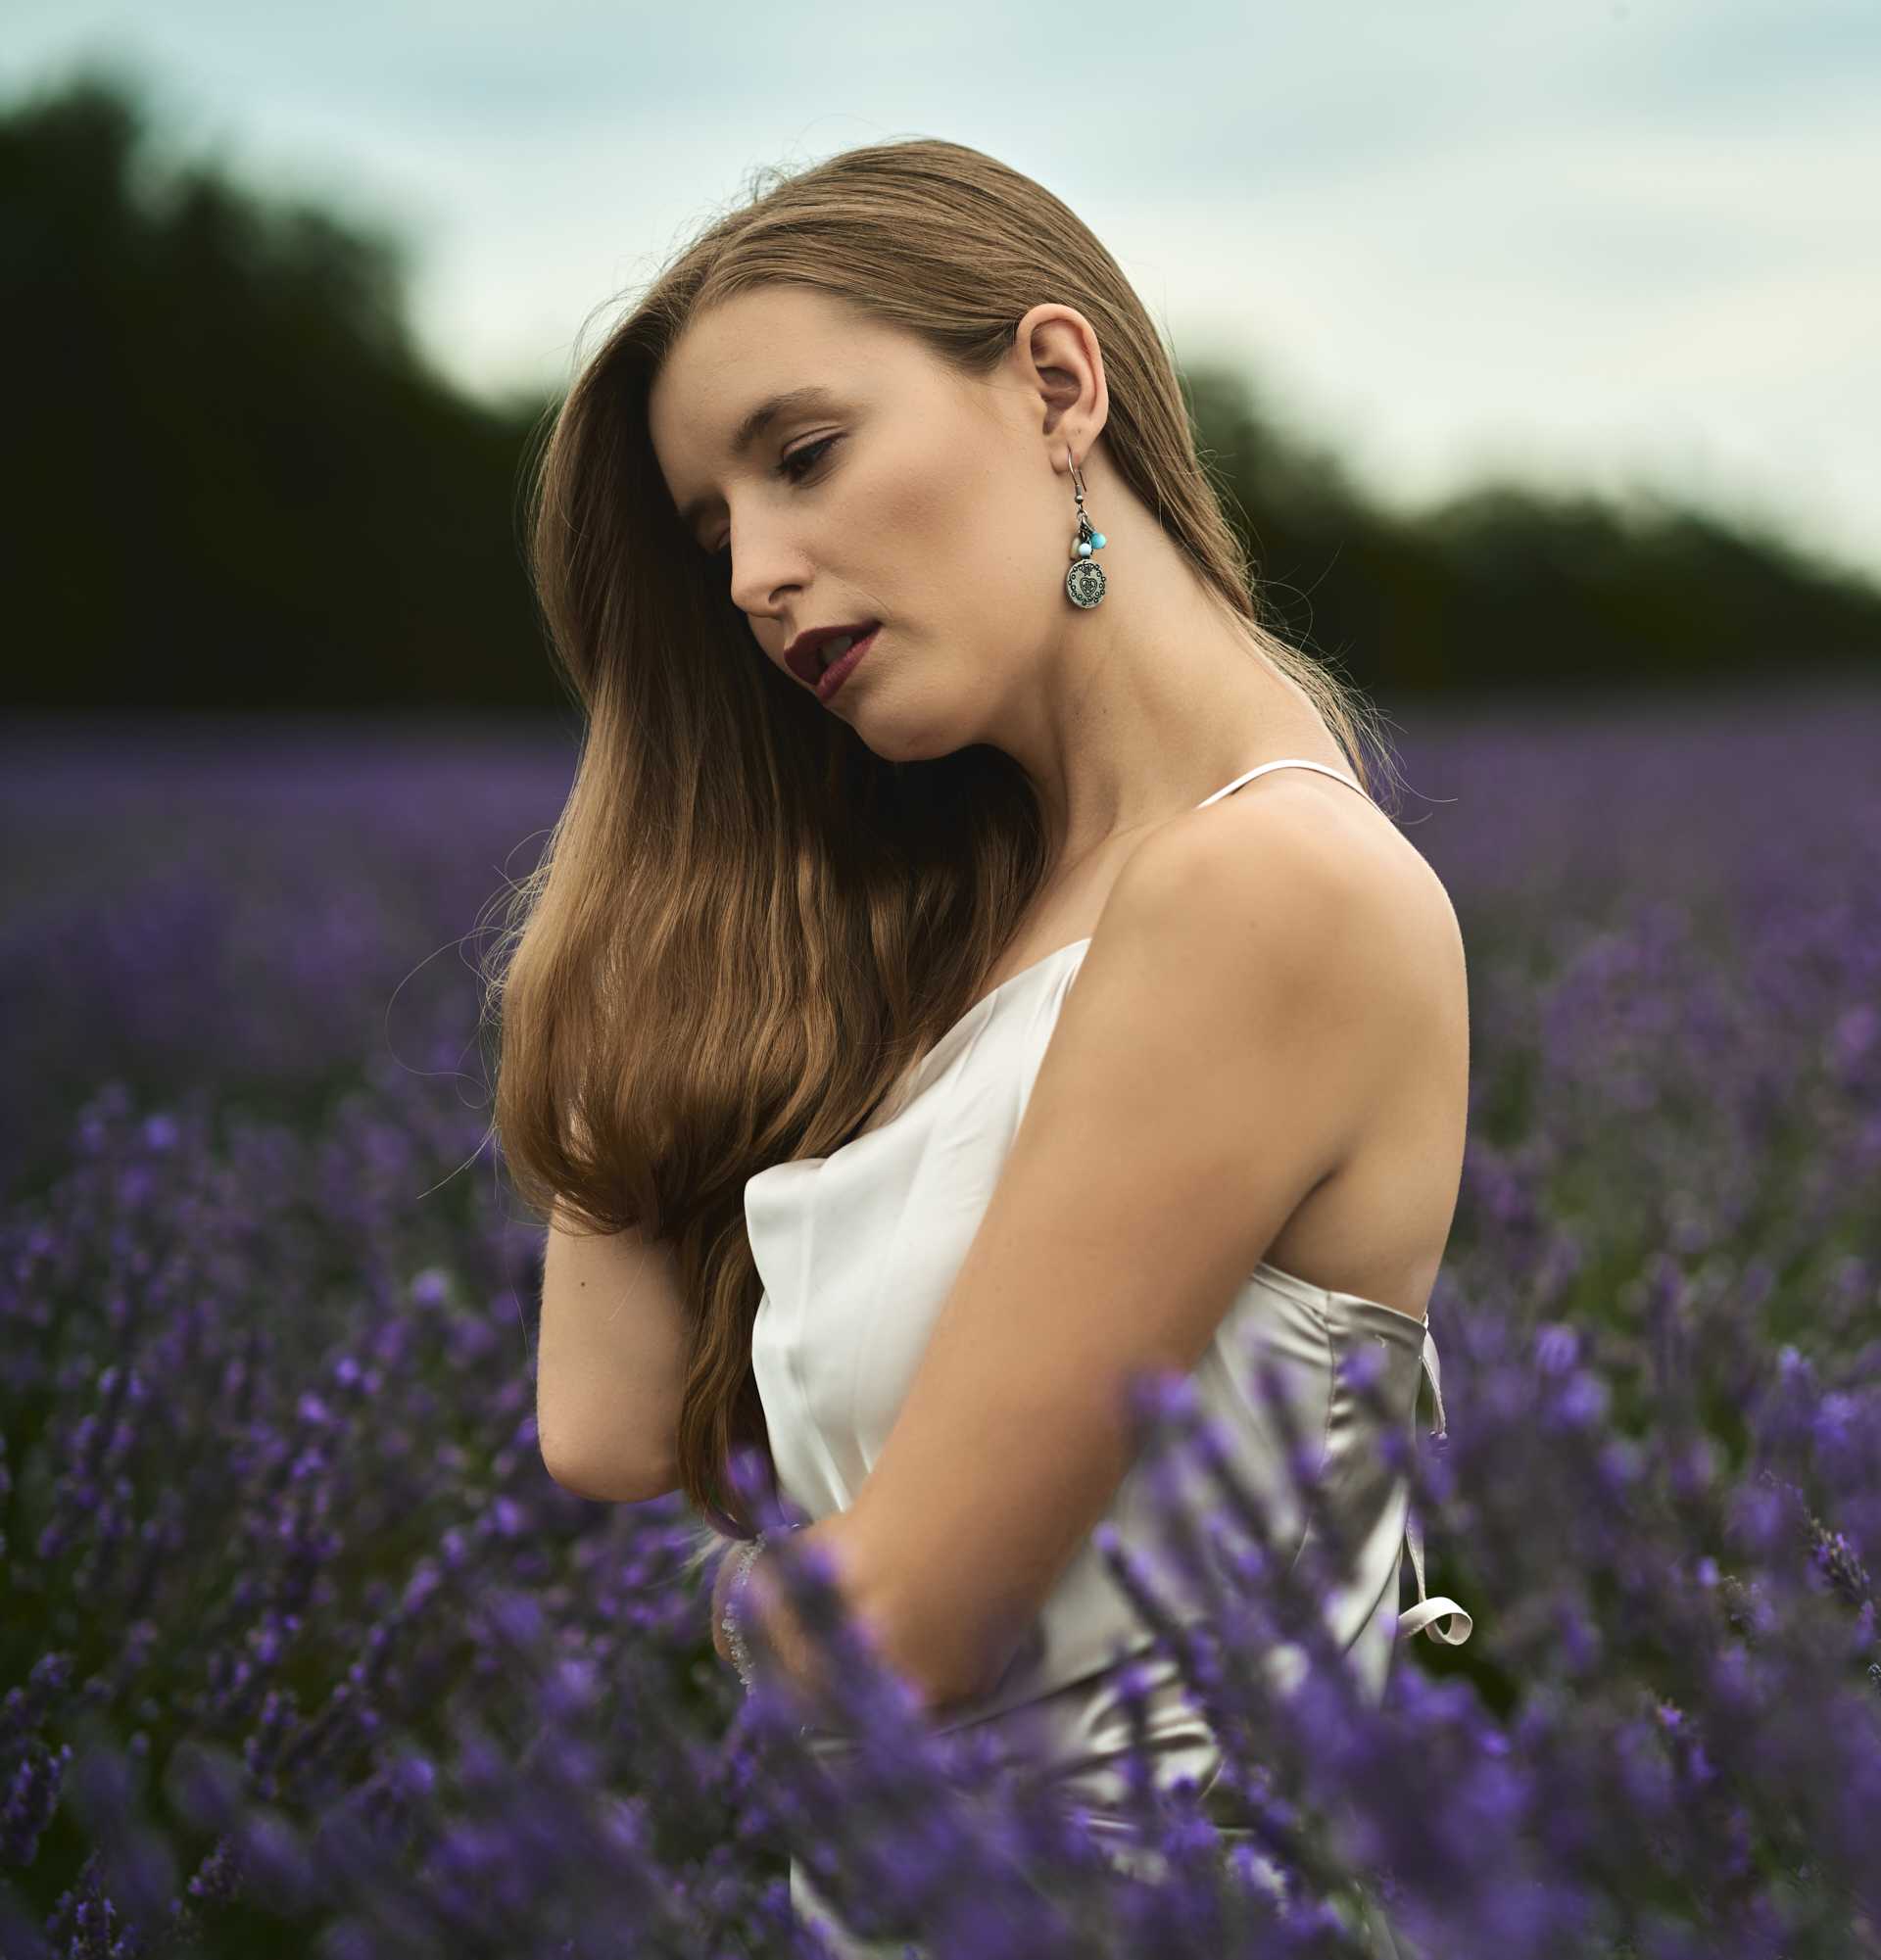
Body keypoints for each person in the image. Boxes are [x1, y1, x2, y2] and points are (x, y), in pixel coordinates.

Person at [502, 136, 1472, 1956]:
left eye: (804, 458)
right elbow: (609, 1424)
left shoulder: (1266, 890)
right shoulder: (979, 922)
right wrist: (669, 807)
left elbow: (891, 1638)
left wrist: (739, 1612)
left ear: (1053, 383)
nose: (755, 581)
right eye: (713, 541)